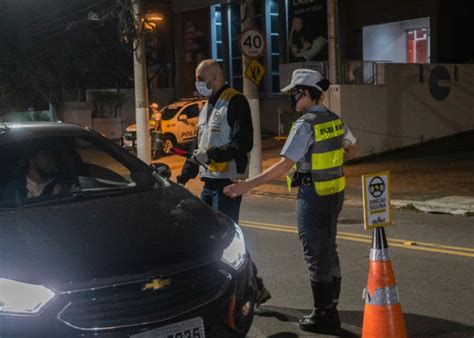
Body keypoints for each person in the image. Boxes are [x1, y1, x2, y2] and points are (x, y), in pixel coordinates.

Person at [224, 69, 360, 334]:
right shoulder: (335, 120)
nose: (293, 98)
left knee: (314, 253)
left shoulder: (305, 125)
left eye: (296, 93)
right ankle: (331, 307)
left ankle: (323, 315)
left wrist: (246, 186)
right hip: (335, 194)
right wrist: (330, 164)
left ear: (308, 93)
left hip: (313, 197)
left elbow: (284, 165)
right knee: (329, 249)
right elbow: (353, 148)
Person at [176, 59, 271, 309]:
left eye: (200, 79)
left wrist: (212, 155)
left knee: (228, 239)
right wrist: (182, 178)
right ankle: (243, 288)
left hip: (228, 183)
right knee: (210, 238)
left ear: (214, 77)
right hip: (208, 183)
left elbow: (243, 143)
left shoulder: (235, 101)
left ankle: (252, 288)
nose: (197, 84)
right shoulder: (206, 106)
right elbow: (197, 149)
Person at [4, 143, 71, 200]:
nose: (51, 158)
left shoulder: (61, 185)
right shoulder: (14, 189)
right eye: (45, 155)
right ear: (32, 161)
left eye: (52, 155)